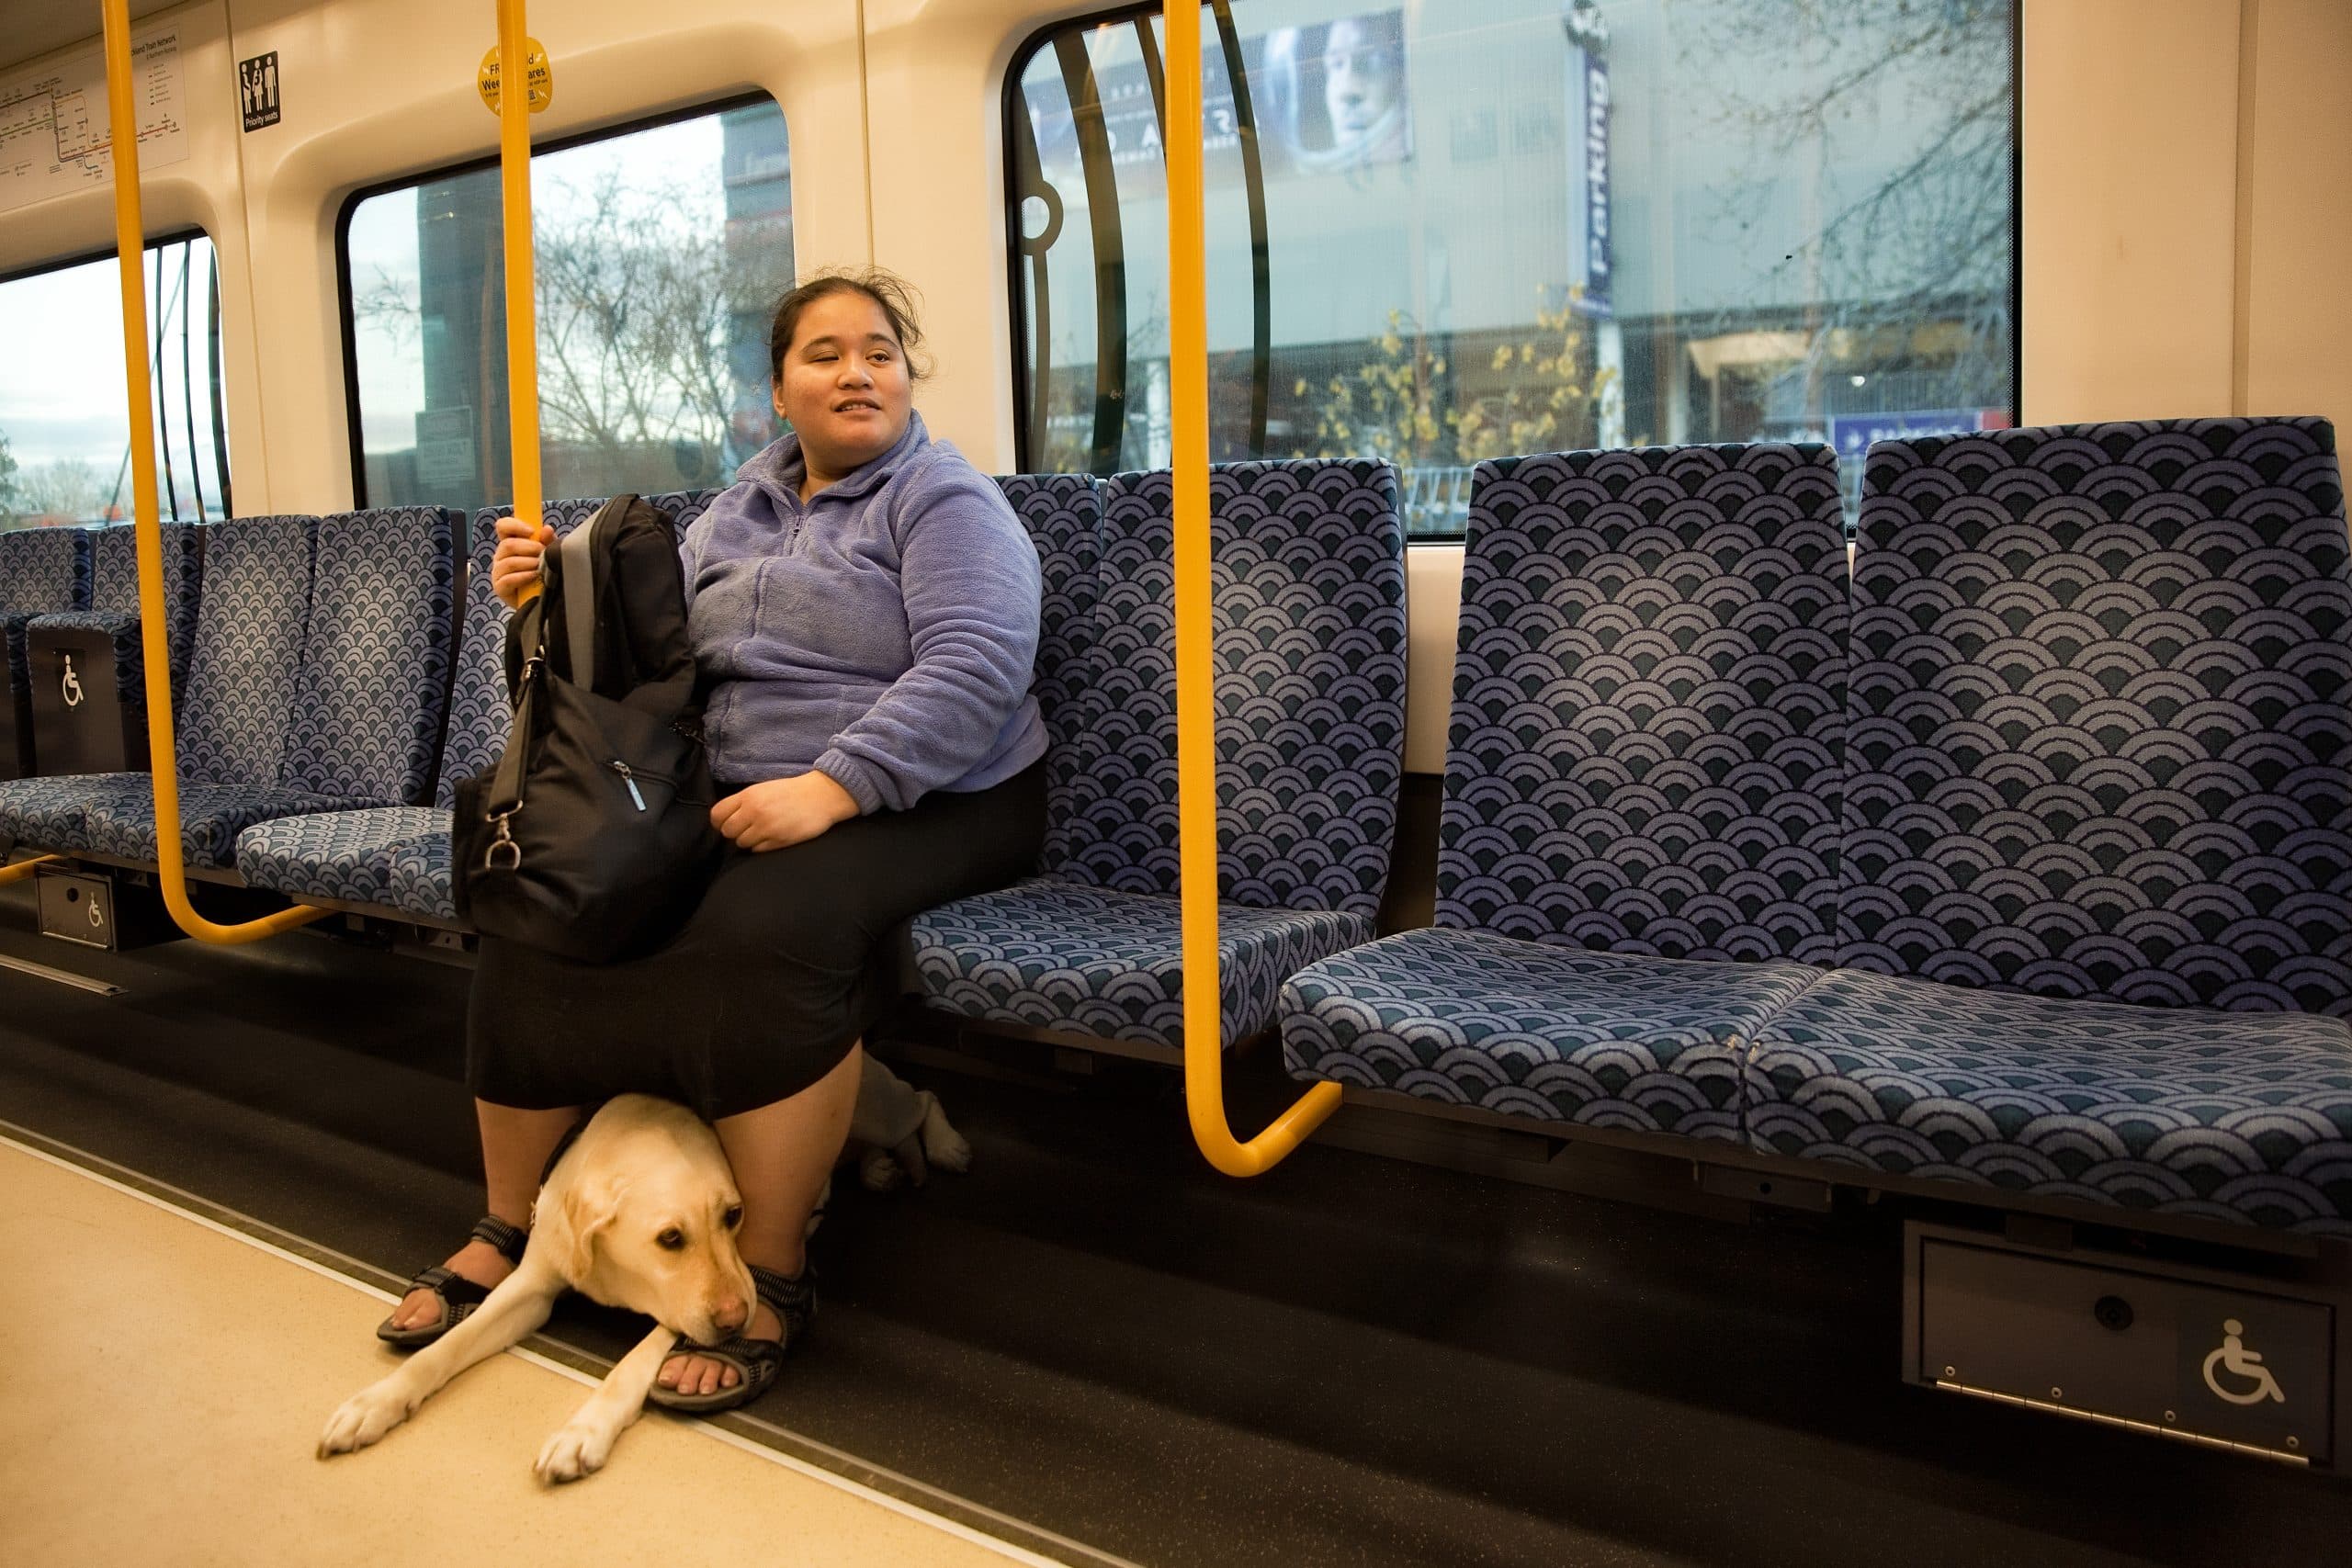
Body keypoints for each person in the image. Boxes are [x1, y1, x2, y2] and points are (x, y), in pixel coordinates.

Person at [378, 268, 1047, 1413]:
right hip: (732, 789)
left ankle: (773, 1274)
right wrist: (542, 601)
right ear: (779, 389)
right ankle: (512, 1219)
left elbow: (975, 672)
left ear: (906, 375)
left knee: (765, 930)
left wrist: (834, 789)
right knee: (538, 908)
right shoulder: (731, 514)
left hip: (939, 794)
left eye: (880, 351)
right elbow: (647, 665)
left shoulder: (941, 500)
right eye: (825, 354)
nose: (857, 371)